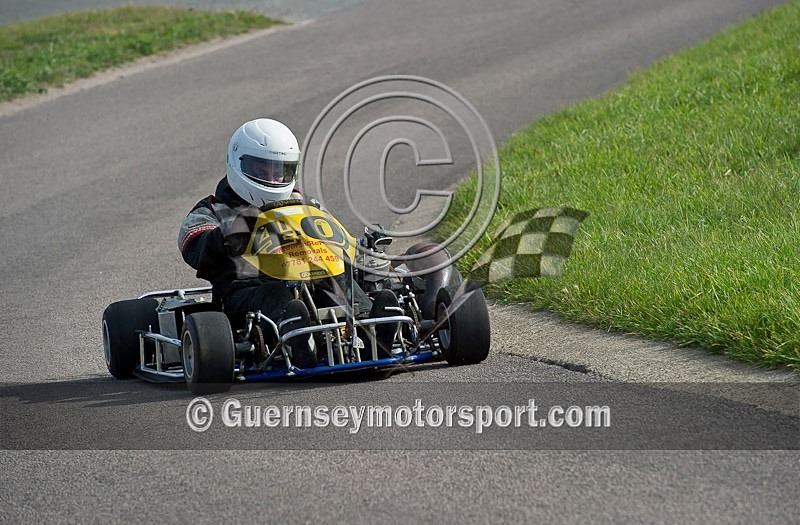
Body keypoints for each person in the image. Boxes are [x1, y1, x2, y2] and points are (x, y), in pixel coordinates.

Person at [178, 118, 397, 368]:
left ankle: (372, 328)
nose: (272, 178)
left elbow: (334, 239)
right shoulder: (214, 209)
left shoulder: (304, 205)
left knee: (337, 277)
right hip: (247, 291)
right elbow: (194, 247)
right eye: (262, 171)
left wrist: (361, 251)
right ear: (238, 163)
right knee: (278, 296)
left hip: (313, 278)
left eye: (279, 170)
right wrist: (228, 234)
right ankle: (298, 340)